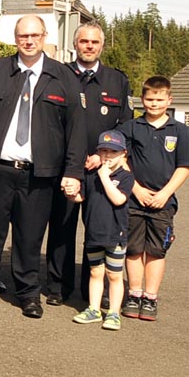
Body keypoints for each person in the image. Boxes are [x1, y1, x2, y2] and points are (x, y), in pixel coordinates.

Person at [0, 15, 86, 318]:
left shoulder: (62, 77)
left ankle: (28, 293)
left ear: (44, 37)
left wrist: (73, 171)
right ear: (15, 39)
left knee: (29, 237)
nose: (28, 41)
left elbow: (76, 129)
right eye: (22, 36)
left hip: (39, 175)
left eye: (34, 35)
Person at [44, 22, 133, 305]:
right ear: (76, 44)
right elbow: (50, 121)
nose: (89, 46)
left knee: (99, 230)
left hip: (102, 171)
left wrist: (101, 156)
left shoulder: (117, 80)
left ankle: (92, 291)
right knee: (61, 229)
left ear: (102, 45)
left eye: (95, 42)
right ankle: (59, 287)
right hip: (67, 167)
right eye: (84, 41)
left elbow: (125, 126)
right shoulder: (59, 75)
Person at [118, 77, 189, 322]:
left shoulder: (179, 130)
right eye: (150, 99)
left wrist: (165, 193)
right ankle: (134, 294)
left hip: (163, 204)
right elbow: (121, 159)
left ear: (169, 100)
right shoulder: (131, 127)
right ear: (142, 100)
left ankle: (150, 298)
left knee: (155, 252)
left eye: (160, 99)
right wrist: (136, 189)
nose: (154, 104)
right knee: (133, 250)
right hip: (134, 201)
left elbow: (184, 166)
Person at [72, 131, 134, 331]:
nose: (107, 156)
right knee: (95, 271)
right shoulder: (91, 176)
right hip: (94, 233)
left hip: (115, 235)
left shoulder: (125, 177)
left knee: (114, 275)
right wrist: (70, 193)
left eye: (113, 152)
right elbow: (81, 197)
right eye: (104, 151)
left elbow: (119, 199)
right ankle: (93, 309)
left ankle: (114, 312)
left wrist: (105, 177)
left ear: (123, 154)